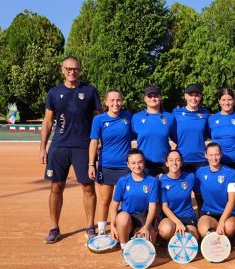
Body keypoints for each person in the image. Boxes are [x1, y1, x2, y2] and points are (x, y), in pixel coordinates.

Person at [39, 56, 101, 244]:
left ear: (80, 70)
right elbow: (48, 121)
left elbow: (98, 119)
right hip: (59, 146)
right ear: (62, 69)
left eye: (75, 69)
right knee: (56, 187)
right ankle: (54, 228)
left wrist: (98, 143)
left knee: (88, 187)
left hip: (83, 146)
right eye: (68, 68)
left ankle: (90, 227)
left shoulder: (90, 91)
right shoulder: (54, 92)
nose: (72, 72)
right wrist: (43, 147)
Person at [88, 89, 132, 236]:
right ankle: (101, 231)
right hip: (106, 166)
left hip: (125, 168)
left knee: (123, 200)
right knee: (105, 199)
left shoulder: (128, 117)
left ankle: (122, 229)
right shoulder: (99, 120)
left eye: (118, 100)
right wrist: (91, 164)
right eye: (112, 100)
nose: (115, 103)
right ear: (106, 102)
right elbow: (94, 142)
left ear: (122, 101)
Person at [108, 149, 160, 249]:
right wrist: (113, 226)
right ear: (128, 164)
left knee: (148, 242)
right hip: (127, 217)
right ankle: (124, 248)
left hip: (144, 217)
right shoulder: (122, 181)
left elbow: (153, 207)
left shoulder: (152, 181)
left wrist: (146, 226)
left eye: (140, 162)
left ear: (144, 162)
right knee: (122, 218)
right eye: (133, 163)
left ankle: (137, 235)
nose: (137, 166)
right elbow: (114, 206)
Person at [195, 143, 235, 239]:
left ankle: (222, 236)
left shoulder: (230, 173)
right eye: (211, 155)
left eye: (217, 154)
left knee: (229, 228)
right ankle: (215, 236)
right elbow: (198, 192)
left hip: (228, 214)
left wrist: (222, 221)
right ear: (205, 155)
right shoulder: (200, 172)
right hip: (209, 212)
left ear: (221, 154)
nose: (214, 158)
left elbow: (232, 201)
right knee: (203, 230)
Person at [132, 85, 176, 177]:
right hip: (143, 165)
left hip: (164, 165)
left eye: (155, 96)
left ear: (160, 97)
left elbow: (178, 139)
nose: (153, 98)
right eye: (150, 96)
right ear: (144, 99)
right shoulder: (136, 117)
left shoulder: (169, 117)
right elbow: (127, 139)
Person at [157, 150, 199, 241]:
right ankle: (173, 238)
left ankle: (177, 239)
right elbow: (164, 207)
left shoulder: (190, 177)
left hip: (187, 216)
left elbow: (199, 195)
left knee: (192, 237)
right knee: (166, 230)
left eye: (177, 160)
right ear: (166, 163)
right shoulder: (161, 181)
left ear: (181, 163)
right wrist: (178, 223)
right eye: (171, 160)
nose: (174, 163)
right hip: (169, 217)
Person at [209, 88, 235, 169]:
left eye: (229, 99)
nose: (226, 103)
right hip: (218, 161)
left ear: (234, 100)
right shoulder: (211, 119)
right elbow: (205, 135)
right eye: (223, 100)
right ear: (219, 101)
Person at [173, 84, 210, 173]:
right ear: (185, 96)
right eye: (191, 95)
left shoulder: (205, 113)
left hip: (201, 159)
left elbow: (206, 133)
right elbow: (172, 133)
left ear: (200, 97)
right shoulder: (176, 113)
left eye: (196, 95)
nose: (194, 98)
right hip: (182, 159)